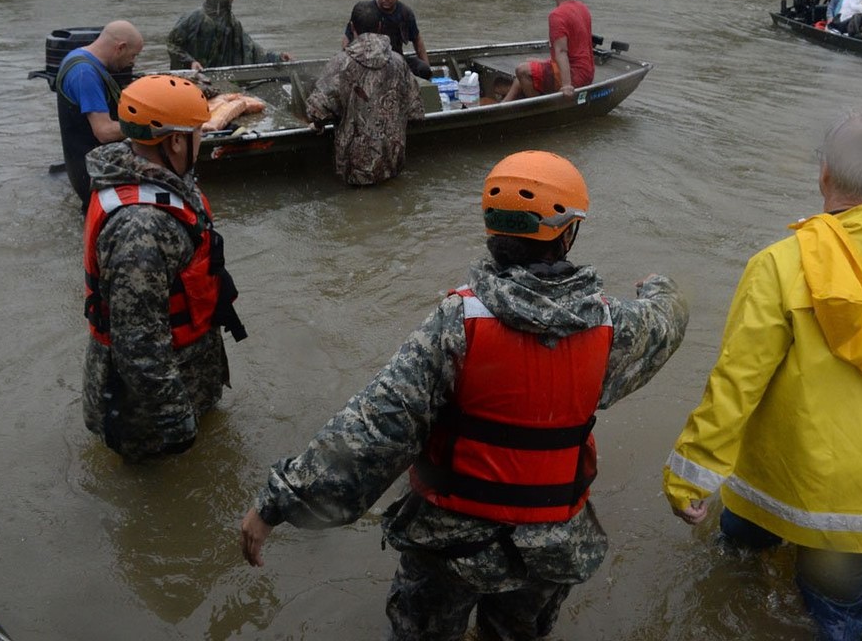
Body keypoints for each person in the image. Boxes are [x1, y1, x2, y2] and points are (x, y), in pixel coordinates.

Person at [241, 150, 689, 640]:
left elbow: (373, 431)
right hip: (552, 548)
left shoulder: (455, 325)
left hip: (448, 546)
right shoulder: (614, 327)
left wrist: (274, 504)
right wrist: (659, 288)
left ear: (492, 229)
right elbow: (669, 320)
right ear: (567, 233)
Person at [663, 113, 862, 641]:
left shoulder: (780, 263)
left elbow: (736, 381)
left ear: (824, 174)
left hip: (777, 481)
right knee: (838, 622)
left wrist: (691, 476)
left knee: (733, 579)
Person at [82, 74, 248, 463]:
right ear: (174, 141)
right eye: (197, 133)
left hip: (188, 372)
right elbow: (138, 344)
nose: (201, 141)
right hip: (146, 416)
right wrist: (176, 422)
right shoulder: (141, 227)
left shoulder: (150, 172)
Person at [307, 1, 425, 186]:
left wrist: (318, 124)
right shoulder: (399, 62)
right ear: (379, 26)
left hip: (353, 167)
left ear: (352, 27)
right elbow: (416, 111)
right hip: (392, 162)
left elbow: (317, 110)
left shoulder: (340, 64)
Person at [56, 20, 144, 212]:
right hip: (93, 174)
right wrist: (149, 124)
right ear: (120, 48)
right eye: (133, 55)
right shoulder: (85, 74)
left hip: (81, 168)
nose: (133, 62)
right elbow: (104, 132)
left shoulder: (79, 56)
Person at [501, 0, 594, 103]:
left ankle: (540, 107)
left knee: (522, 70)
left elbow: (561, 51)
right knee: (530, 62)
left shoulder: (557, 15)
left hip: (575, 75)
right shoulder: (583, 8)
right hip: (588, 71)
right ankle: (505, 103)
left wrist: (567, 85)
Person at [167, 0, 292, 71]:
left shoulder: (231, 21)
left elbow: (250, 48)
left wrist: (277, 58)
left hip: (222, 78)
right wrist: (190, 62)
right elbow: (173, 45)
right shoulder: (193, 18)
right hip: (194, 80)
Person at [342, 0, 433, 79]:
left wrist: (428, 68)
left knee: (423, 69)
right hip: (368, 60)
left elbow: (417, 41)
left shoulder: (405, 13)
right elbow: (347, 38)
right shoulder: (364, 11)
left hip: (396, 60)